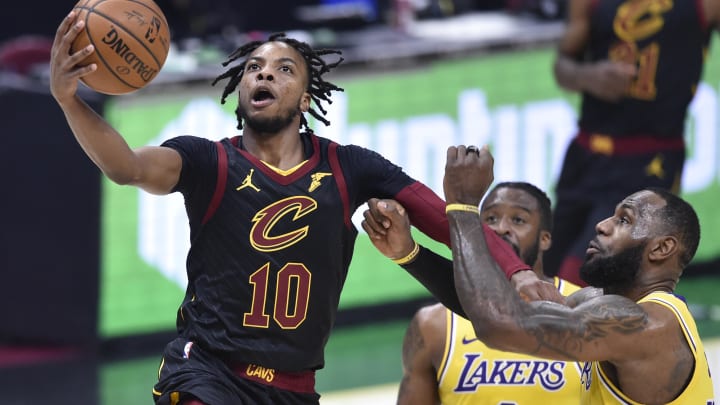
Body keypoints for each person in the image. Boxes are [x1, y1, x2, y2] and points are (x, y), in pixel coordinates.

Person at [49, 12, 544, 405]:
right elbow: (127, 167)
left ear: (306, 98)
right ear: (240, 90)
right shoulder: (207, 160)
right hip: (207, 372)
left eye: (284, 69)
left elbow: (447, 221)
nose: (264, 72)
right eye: (253, 68)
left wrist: (518, 272)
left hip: (293, 387)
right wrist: (70, 101)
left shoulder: (352, 167)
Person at [442, 145, 714, 404]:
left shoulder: (645, 325)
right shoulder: (603, 304)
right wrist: (410, 253)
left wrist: (464, 207)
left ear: (662, 248)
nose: (602, 225)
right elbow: (492, 306)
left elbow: (498, 325)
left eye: (624, 220)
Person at [547, 0, 720, 286]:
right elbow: (562, 65)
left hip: (649, 161)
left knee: (580, 275)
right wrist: (587, 77)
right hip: (588, 153)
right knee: (544, 270)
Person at [363, 182, 583, 404]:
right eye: (490, 220)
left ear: (544, 239)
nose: (500, 229)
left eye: (518, 220)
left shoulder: (582, 309)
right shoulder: (433, 325)